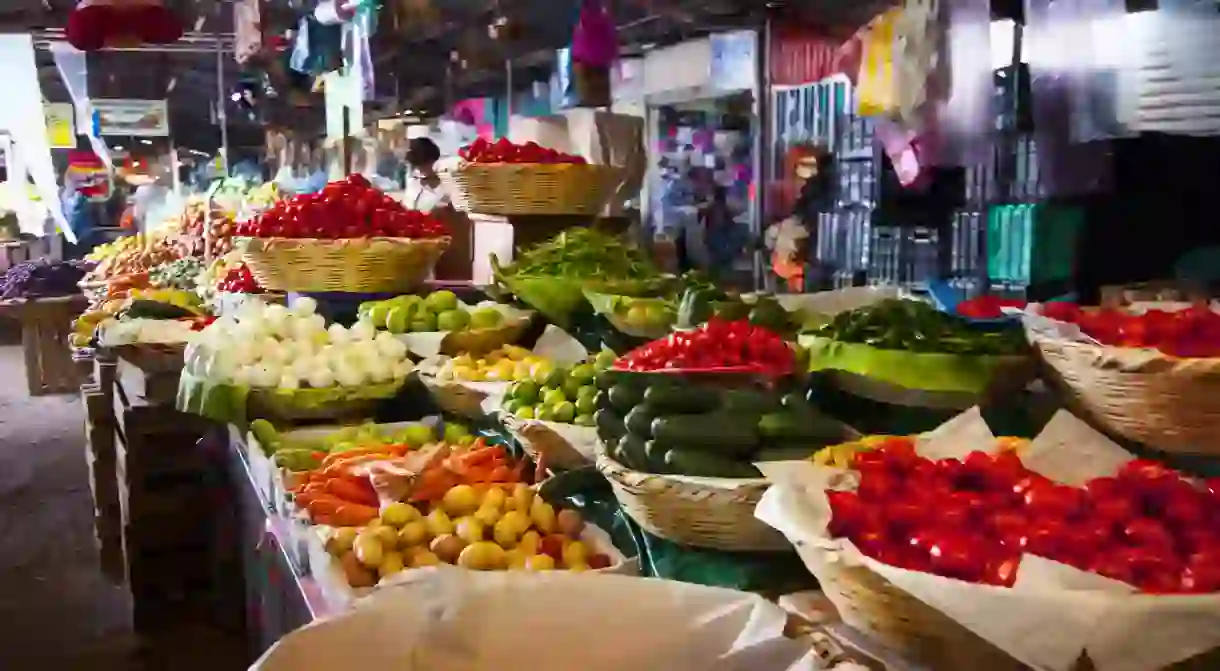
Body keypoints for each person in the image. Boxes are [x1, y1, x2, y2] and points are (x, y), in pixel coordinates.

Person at [403, 137, 449, 212]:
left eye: (424, 165)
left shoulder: (448, 184)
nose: (420, 170)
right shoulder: (414, 182)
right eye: (417, 165)